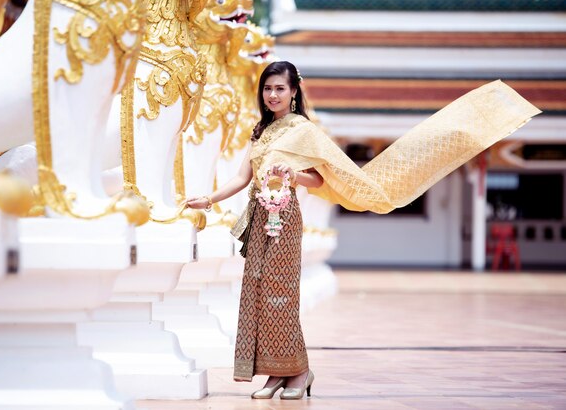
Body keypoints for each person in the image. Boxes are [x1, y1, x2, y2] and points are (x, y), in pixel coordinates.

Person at [186, 60, 540, 399]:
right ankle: (275, 372)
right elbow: (241, 177)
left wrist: (293, 176)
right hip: (259, 219)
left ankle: (297, 371)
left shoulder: (304, 131)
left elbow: (321, 178)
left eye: (280, 88)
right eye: (267, 89)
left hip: (285, 220)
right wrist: (209, 198)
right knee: (259, 294)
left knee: (281, 296)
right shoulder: (261, 131)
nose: (273, 95)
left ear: (294, 92)